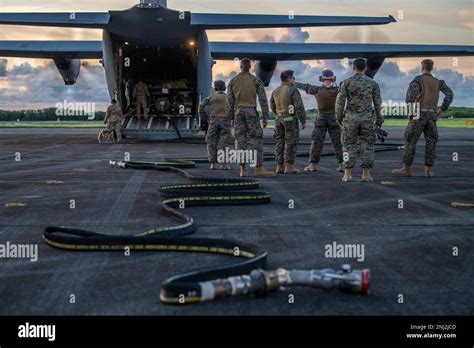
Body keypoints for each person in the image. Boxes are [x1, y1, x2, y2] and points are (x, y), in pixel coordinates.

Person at [392, 59, 453, 177]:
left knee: (410, 140)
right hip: (432, 114)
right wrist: (442, 109)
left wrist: (410, 112)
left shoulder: (418, 80)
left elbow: (410, 97)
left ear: (422, 67)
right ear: (432, 68)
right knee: (431, 141)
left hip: (419, 114)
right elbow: (450, 94)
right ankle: (428, 170)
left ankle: (406, 169)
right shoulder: (438, 82)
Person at [336, 58, 383, 182]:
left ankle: (347, 174)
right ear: (366, 68)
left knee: (347, 146)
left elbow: (340, 103)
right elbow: (378, 103)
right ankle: (366, 174)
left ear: (353, 68)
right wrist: (379, 119)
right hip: (367, 120)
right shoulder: (372, 83)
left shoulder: (346, 82)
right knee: (367, 146)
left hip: (350, 119)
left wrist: (339, 118)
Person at [227, 58, 275, 177]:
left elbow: (229, 102)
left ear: (240, 67)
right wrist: (265, 116)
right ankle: (258, 168)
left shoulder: (233, 81)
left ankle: (243, 169)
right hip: (251, 112)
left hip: (238, 112)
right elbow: (263, 99)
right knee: (256, 140)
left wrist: (230, 118)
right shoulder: (256, 80)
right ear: (250, 67)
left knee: (240, 140)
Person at [295, 70, 343, 172]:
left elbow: (305, 86)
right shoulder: (338, 90)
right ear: (333, 79)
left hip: (321, 118)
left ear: (321, 79)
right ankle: (342, 164)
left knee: (317, 142)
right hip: (333, 118)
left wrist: (292, 83)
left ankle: (312, 165)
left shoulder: (317, 89)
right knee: (338, 142)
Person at [270, 70, 306, 174]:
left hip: (278, 118)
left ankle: (279, 166)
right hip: (289, 118)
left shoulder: (275, 91)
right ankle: (289, 166)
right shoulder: (292, 89)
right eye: (293, 78)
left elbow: (272, 106)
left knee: (279, 141)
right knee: (291, 141)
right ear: (289, 79)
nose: (294, 80)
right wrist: (302, 120)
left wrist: (279, 114)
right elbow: (299, 106)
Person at [199, 80, 233, 170]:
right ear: (224, 87)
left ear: (215, 88)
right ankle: (224, 164)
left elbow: (201, 106)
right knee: (224, 143)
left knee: (211, 143)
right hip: (225, 121)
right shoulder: (228, 98)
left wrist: (206, 118)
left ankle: (213, 164)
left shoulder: (212, 97)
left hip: (213, 121)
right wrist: (231, 118)